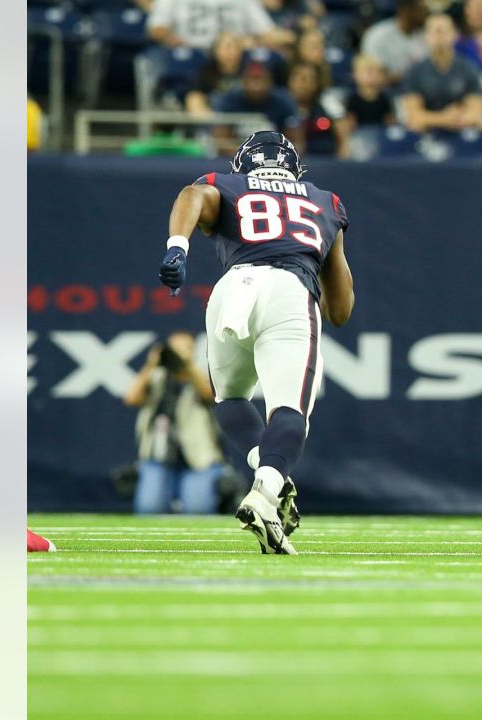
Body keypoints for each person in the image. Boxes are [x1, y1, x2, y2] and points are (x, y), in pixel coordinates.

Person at [157, 131, 354, 554]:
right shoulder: (324, 200)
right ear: (295, 170)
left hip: (232, 289)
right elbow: (341, 309)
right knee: (290, 409)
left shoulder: (228, 184)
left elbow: (193, 194)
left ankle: (270, 475)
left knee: (229, 398)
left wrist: (178, 248)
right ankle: (266, 491)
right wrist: (329, 241)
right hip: (288, 289)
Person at [123, 331, 228, 514]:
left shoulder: (199, 377)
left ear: (194, 351)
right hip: (158, 454)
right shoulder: (157, 377)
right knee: (149, 508)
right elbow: (131, 398)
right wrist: (150, 365)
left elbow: (211, 396)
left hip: (197, 457)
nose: (179, 353)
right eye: (174, 349)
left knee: (198, 511)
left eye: (185, 348)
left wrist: (188, 365)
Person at [400, 14, 482, 133]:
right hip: (428, 132)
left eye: (445, 30)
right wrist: (444, 119)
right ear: (426, 36)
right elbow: (414, 115)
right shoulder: (414, 71)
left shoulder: (468, 67)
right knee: (414, 125)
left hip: (461, 128)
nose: (440, 35)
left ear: (455, 34)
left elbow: (475, 110)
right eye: (435, 31)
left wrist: (461, 118)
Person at [147, 0, 294, 52]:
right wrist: (172, 39)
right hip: (193, 52)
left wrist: (295, 37)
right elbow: (156, 28)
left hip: (235, 56)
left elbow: (266, 31)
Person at [211, 61, 301, 146]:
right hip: (234, 158)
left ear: (271, 82)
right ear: (243, 82)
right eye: (252, 80)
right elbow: (221, 142)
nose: (256, 86)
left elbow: (296, 142)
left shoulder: (283, 102)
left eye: (262, 80)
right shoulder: (229, 100)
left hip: (274, 158)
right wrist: (248, 156)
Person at [286, 62, 348, 157]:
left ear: (317, 84)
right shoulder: (281, 107)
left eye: (310, 79)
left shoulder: (327, 104)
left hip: (324, 161)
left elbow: (343, 139)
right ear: (290, 81)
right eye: (300, 78)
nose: (304, 84)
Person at [361, 0, 430, 85]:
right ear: (406, 11)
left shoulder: (426, 35)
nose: (426, 12)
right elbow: (371, 72)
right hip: (384, 89)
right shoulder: (378, 35)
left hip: (417, 88)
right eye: (420, 9)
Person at [185, 32, 246, 117]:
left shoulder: (248, 73)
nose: (231, 52)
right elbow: (194, 101)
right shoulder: (205, 74)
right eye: (227, 47)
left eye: (235, 47)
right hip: (214, 122)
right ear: (216, 51)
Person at [342, 55, 397, 130]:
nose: (370, 75)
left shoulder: (385, 98)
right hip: (360, 137)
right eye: (365, 71)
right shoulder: (352, 99)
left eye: (373, 71)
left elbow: (390, 123)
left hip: (381, 136)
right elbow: (349, 125)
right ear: (356, 75)